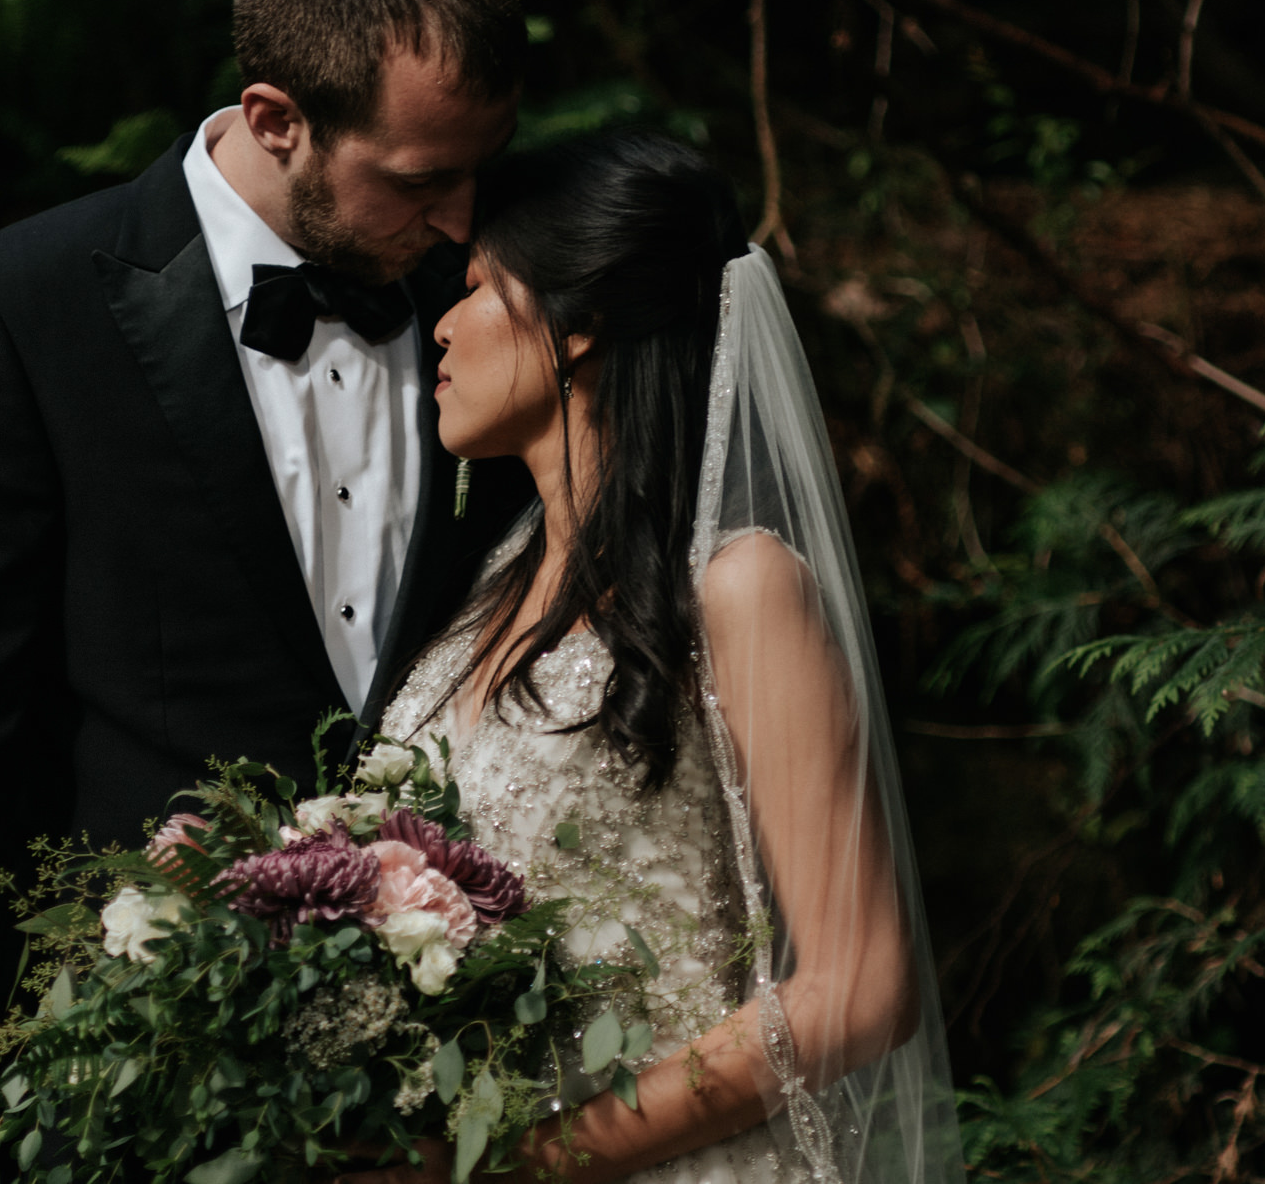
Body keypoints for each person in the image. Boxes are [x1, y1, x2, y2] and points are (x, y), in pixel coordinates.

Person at [0, 0, 534, 1184]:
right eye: (421, 180)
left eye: (478, 171)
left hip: (462, 1108)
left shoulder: (496, 313)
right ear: (276, 117)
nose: (458, 218)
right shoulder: (18, 313)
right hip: (131, 1103)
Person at [364, 130, 964, 1184]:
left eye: (471, 290)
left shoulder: (738, 586)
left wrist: (523, 1160)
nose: (441, 330)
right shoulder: (485, 594)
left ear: (580, 320)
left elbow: (859, 985)